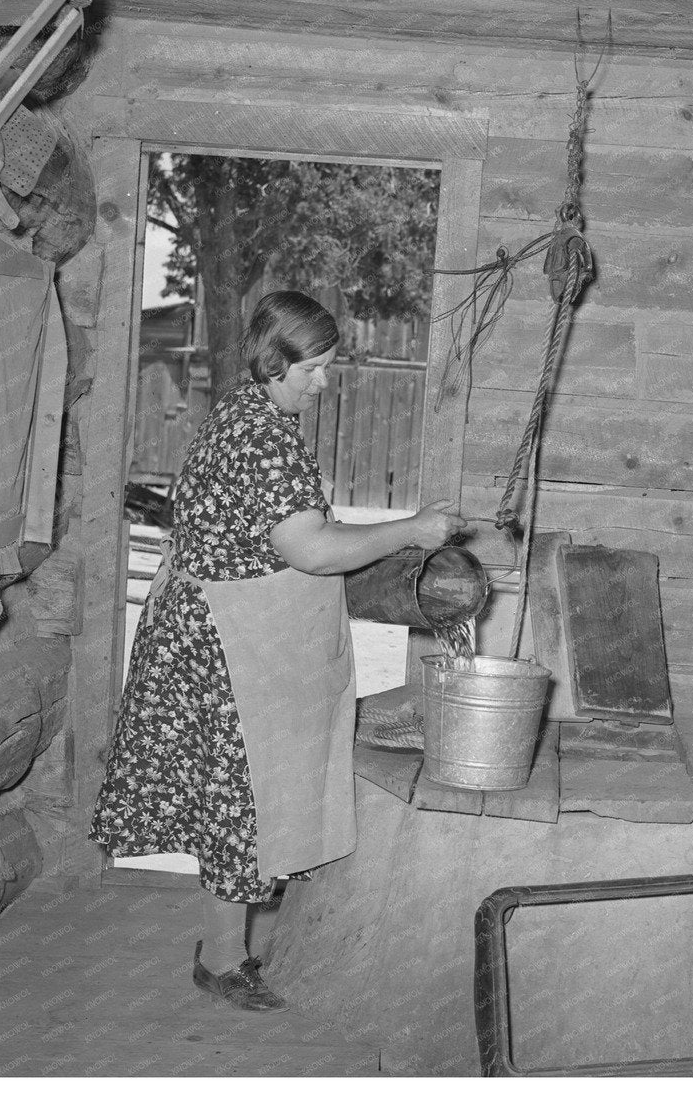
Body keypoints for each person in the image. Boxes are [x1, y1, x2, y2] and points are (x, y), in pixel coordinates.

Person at [90, 290, 467, 1012]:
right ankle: (223, 960)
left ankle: (224, 947)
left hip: (203, 626)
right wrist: (410, 531)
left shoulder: (241, 411)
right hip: (227, 645)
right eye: (314, 370)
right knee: (244, 796)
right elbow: (311, 549)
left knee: (231, 798)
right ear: (275, 360)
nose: (322, 385)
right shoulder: (263, 440)